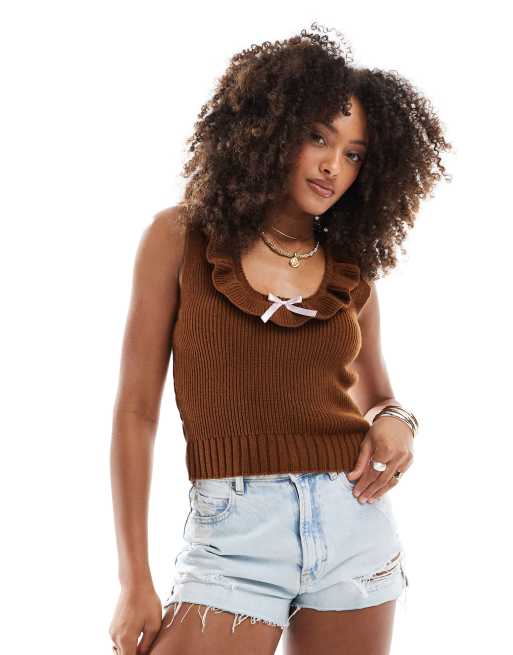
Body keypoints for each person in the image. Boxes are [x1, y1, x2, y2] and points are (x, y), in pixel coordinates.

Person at [109, 23, 451, 655]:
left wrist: (398, 423)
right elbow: (136, 412)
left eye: (354, 154)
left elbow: (379, 397)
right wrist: (135, 580)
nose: (333, 166)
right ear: (268, 129)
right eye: (318, 136)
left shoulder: (350, 267)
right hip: (232, 538)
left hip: (354, 531)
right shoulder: (179, 239)